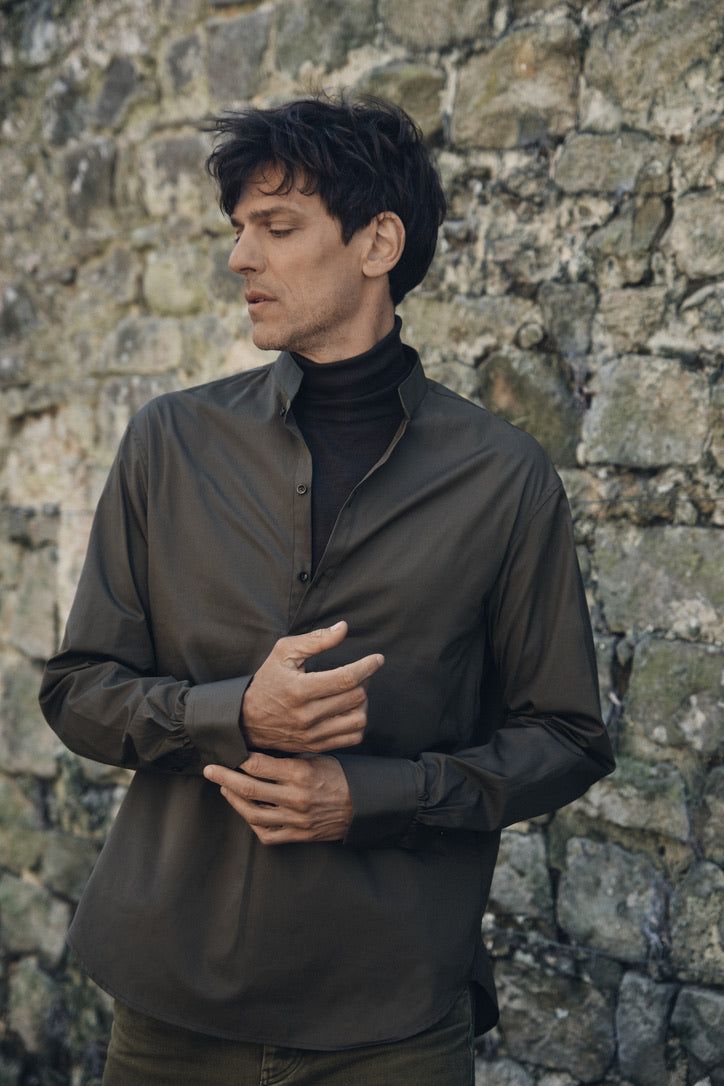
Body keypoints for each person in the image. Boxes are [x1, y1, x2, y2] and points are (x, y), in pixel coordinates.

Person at [40, 95, 615, 1086]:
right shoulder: (170, 444)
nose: (240, 259)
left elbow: (564, 739)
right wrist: (232, 712)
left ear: (376, 242)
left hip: (391, 1016)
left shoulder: (504, 478)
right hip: (172, 1004)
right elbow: (79, 690)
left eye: (276, 228)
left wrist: (373, 797)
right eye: (237, 231)